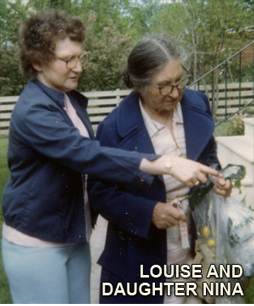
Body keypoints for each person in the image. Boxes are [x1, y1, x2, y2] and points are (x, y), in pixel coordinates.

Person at [1, 10, 222, 304]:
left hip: (72, 235)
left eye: (80, 57)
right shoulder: (33, 111)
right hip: (38, 241)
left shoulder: (66, 100)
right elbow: (87, 155)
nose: (78, 67)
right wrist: (165, 164)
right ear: (37, 61)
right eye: (68, 59)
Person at [88, 36, 232, 304]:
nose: (176, 93)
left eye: (179, 80)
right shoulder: (113, 128)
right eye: (164, 86)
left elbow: (208, 156)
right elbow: (100, 193)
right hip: (141, 260)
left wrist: (218, 178)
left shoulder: (197, 104)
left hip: (197, 251)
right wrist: (149, 213)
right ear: (140, 84)